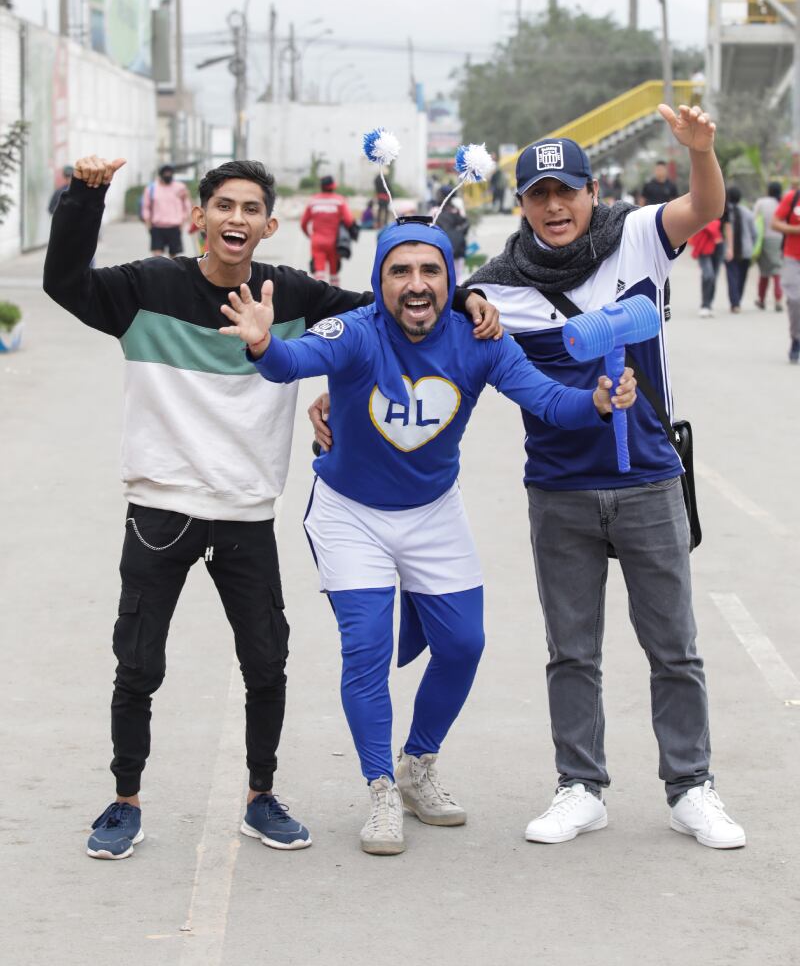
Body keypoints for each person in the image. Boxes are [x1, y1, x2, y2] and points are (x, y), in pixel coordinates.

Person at [43, 153, 504, 861]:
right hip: (161, 507)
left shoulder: (287, 294)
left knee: (266, 663)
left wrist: (467, 293)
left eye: (250, 208)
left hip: (248, 511)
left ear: (269, 223)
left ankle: (262, 796)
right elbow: (63, 282)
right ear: (198, 217)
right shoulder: (146, 287)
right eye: (223, 205)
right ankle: (124, 799)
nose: (236, 218)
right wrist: (85, 196)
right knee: (138, 662)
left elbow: (394, 303)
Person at [222, 221, 636, 856]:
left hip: (433, 512)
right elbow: (292, 362)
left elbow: (551, 402)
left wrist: (600, 403)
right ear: (379, 279)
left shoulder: (482, 340)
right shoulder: (357, 331)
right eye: (399, 272)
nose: (416, 286)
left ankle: (418, 765)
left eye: (430, 272)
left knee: (464, 643)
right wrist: (261, 346)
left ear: (451, 279)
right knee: (366, 650)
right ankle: (382, 787)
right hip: (349, 514)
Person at [460, 105, 745, 849]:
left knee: (674, 648)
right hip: (559, 491)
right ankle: (579, 787)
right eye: (538, 195)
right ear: (519, 205)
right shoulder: (497, 292)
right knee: (572, 651)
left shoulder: (640, 240)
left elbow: (707, 208)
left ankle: (692, 787)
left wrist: (700, 154)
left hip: (650, 480)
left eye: (568, 191)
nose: (555, 207)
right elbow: (417, 332)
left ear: (593, 193)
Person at [301, 174, 357, 286]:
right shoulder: (339, 201)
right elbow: (349, 220)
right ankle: (336, 297)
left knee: (319, 272)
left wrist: (310, 235)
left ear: (321, 186)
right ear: (333, 187)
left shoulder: (313, 201)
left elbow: (303, 223)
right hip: (334, 242)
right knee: (334, 272)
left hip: (317, 241)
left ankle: (318, 297)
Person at [771, 182, 800, 363]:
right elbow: (775, 223)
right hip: (792, 257)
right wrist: (795, 230)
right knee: (795, 299)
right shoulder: (792, 198)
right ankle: (796, 338)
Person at [141, 164, 192, 257]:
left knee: (173, 258)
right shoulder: (151, 188)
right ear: (161, 174)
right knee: (157, 258)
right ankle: (158, 272)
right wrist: (148, 224)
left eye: (170, 173)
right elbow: (146, 207)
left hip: (175, 227)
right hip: (157, 227)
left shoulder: (180, 187)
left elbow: (187, 205)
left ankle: (171, 272)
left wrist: (183, 222)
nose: (168, 175)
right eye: (165, 173)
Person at [722, 185, 757, 313]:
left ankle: (735, 303)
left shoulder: (724, 212)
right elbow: (754, 233)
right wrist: (751, 245)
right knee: (742, 277)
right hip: (746, 251)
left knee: (732, 277)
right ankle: (737, 300)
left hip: (729, 250)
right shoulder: (747, 212)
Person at [752, 181, 784, 311]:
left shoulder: (761, 202)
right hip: (780, 239)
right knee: (777, 270)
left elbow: (753, 219)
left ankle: (761, 299)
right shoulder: (782, 202)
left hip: (764, 239)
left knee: (764, 272)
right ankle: (778, 299)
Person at [688, 216, 724, 317]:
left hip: (718, 247)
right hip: (704, 247)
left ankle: (709, 304)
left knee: (713, 278)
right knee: (708, 275)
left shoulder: (722, 211)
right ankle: (705, 305)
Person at [436, 195, 470, 281]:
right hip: (458, 247)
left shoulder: (438, 216)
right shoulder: (457, 215)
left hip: (445, 247)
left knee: (446, 272)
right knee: (458, 273)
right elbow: (466, 224)